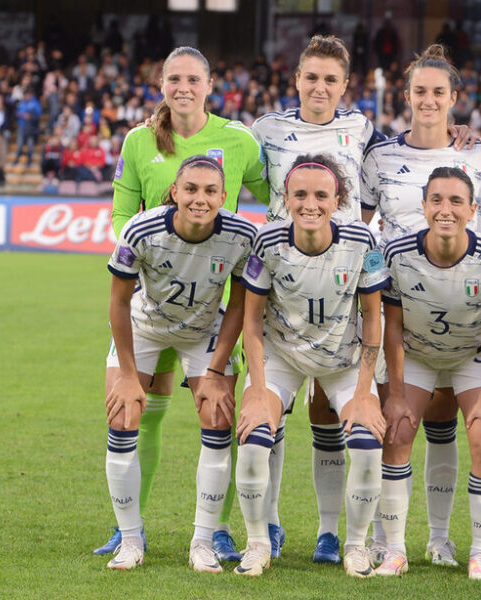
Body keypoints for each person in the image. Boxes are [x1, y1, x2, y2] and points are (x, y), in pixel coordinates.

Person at [96, 45, 268, 563]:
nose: (183, 87)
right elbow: (122, 217)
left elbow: (274, 194)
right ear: (162, 84)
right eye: (174, 78)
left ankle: (211, 532)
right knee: (136, 413)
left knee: (216, 411)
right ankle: (129, 529)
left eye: (193, 79)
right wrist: (152, 260)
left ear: (210, 85)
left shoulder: (238, 139)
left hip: (212, 305)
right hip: (152, 299)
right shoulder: (137, 140)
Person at [251, 34, 386, 566]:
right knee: (268, 414)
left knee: (330, 416)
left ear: (345, 86)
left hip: (340, 288)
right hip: (282, 287)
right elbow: (221, 162)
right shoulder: (266, 129)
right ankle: (271, 524)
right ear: (297, 79)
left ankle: (332, 533)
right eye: (311, 77)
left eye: (331, 79)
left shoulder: (362, 129)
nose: (320, 87)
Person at [360, 44, 481, 567]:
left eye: (440, 92)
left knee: (453, 429)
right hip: (403, 321)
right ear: (407, 96)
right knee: (398, 429)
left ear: (455, 98)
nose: (429, 100)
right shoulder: (381, 157)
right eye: (420, 91)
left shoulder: (480, 154)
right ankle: (388, 544)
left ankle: (443, 540)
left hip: (466, 321)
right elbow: (359, 222)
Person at [235, 154, 389, 577]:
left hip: (343, 361)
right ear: (285, 198)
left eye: (321, 195)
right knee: (252, 438)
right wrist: (258, 390)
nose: (310, 204)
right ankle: (257, 544)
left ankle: (355, 545)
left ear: (337, 199)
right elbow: (251, 321)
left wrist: (363, 392)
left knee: (366, 444)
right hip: (282, 355)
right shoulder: (267, 242)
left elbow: (373, 317)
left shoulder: (361, 242)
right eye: (299, 194)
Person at [103, 156, 255, 572]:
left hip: (204, 331)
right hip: (145, 327)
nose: (200, 199)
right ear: (175, 192)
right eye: (191, 189)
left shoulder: (243, 235)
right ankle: (131, 540)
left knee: (218, 417)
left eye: (210, 192)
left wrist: (214, 371)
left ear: (224, 197)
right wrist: (130, 376)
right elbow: (118, 302)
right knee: (123, 415)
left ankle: (202, 541)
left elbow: (240, 304)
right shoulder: (141, 229)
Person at [375, 167, 481, 580]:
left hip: (470, 355)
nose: (446, 209)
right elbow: (393, 327)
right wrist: (399, 393)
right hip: (418, 354)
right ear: (423, 207)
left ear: (473, 210)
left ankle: (479, 553)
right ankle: (395, 549)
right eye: (437, 200)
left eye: (456, 201)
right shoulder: (397, 254)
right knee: (398, 431)